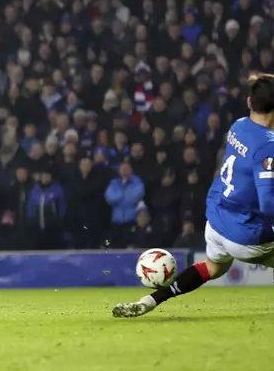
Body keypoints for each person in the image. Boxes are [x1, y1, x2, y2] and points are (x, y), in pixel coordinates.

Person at [113, 74, 274, 318]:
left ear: (250, 102)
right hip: (245, 233)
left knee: (213, 267)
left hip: (217, 222)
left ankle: (150, 300)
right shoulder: (267, 145)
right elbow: (268, 203)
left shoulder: (238, 126)